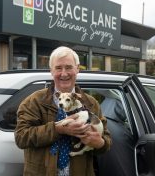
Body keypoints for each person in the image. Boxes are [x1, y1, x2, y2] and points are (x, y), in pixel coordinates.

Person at [14, 46, 111, 176]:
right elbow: (21, 137)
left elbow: (106, 142)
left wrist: (99, 143)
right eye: (58, 68)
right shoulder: (34, 101)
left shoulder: (91, 103)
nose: (64, 73)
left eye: (69, 67)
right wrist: (58, 129)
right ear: (51, 71)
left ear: (77, 69)